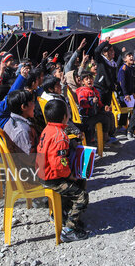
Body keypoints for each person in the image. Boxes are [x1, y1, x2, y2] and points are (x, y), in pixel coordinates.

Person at [36, 99, 90, 242]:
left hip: (42, 173)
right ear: (65, 117)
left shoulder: (48, 129)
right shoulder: (60, 136)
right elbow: (59, 164)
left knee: (79, 181)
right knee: (81, 196)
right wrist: (70, 176)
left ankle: (63, 213)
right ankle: (69, 229)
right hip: (52, 178)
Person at [76, 71, 117, 145]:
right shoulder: (82, 91)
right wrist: (91, 102)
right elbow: (82, 103)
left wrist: (104, 107)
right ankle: (105, 137)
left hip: (95, 113)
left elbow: (99, 103)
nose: (89, 80)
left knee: (110, 114)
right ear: (82, 82)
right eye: (86, 79)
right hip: (88, 116)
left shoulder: (94, 90)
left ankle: (111, 134)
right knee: (105, 119)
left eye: (91, 78)